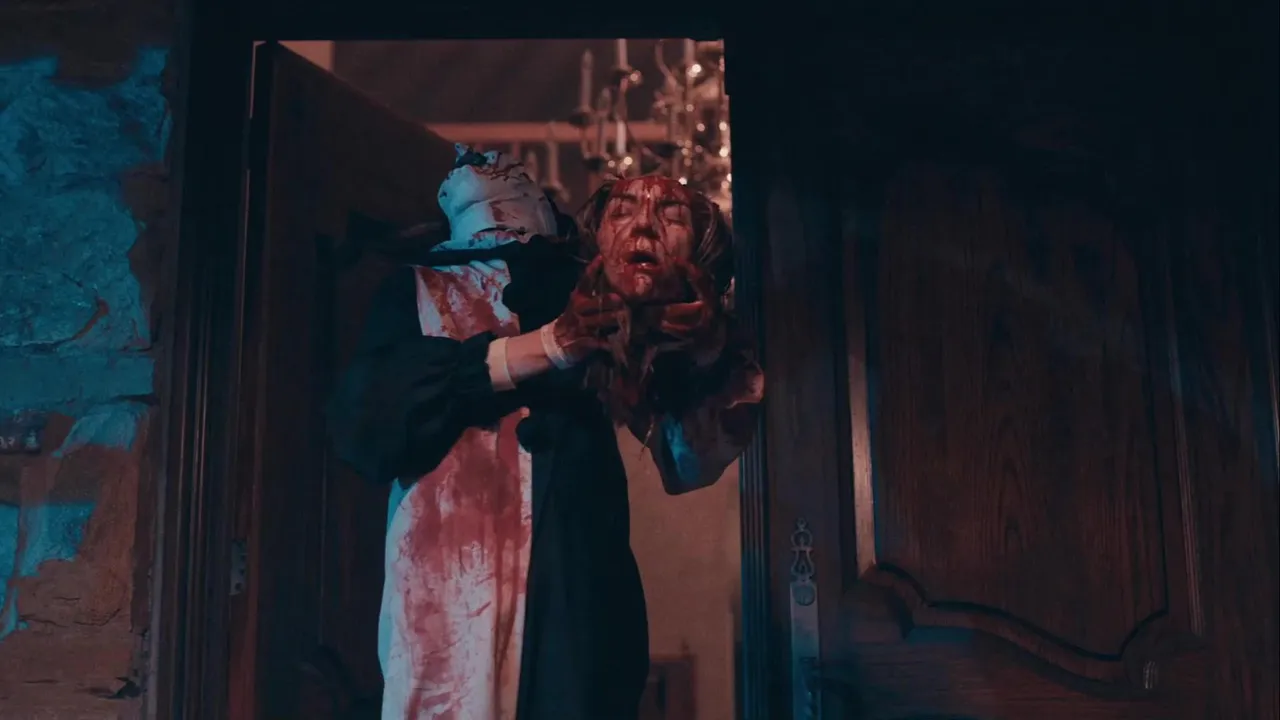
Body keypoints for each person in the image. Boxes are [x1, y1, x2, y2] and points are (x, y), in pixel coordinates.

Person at [326, 145, 763, 720]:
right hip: (448, 591)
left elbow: (686, 454)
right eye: (624, 210)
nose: (480, 156)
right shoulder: (416, 290)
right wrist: (547, 347)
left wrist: (702, 350)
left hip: (572, 602)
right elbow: (366, 425)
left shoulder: (590, 289)